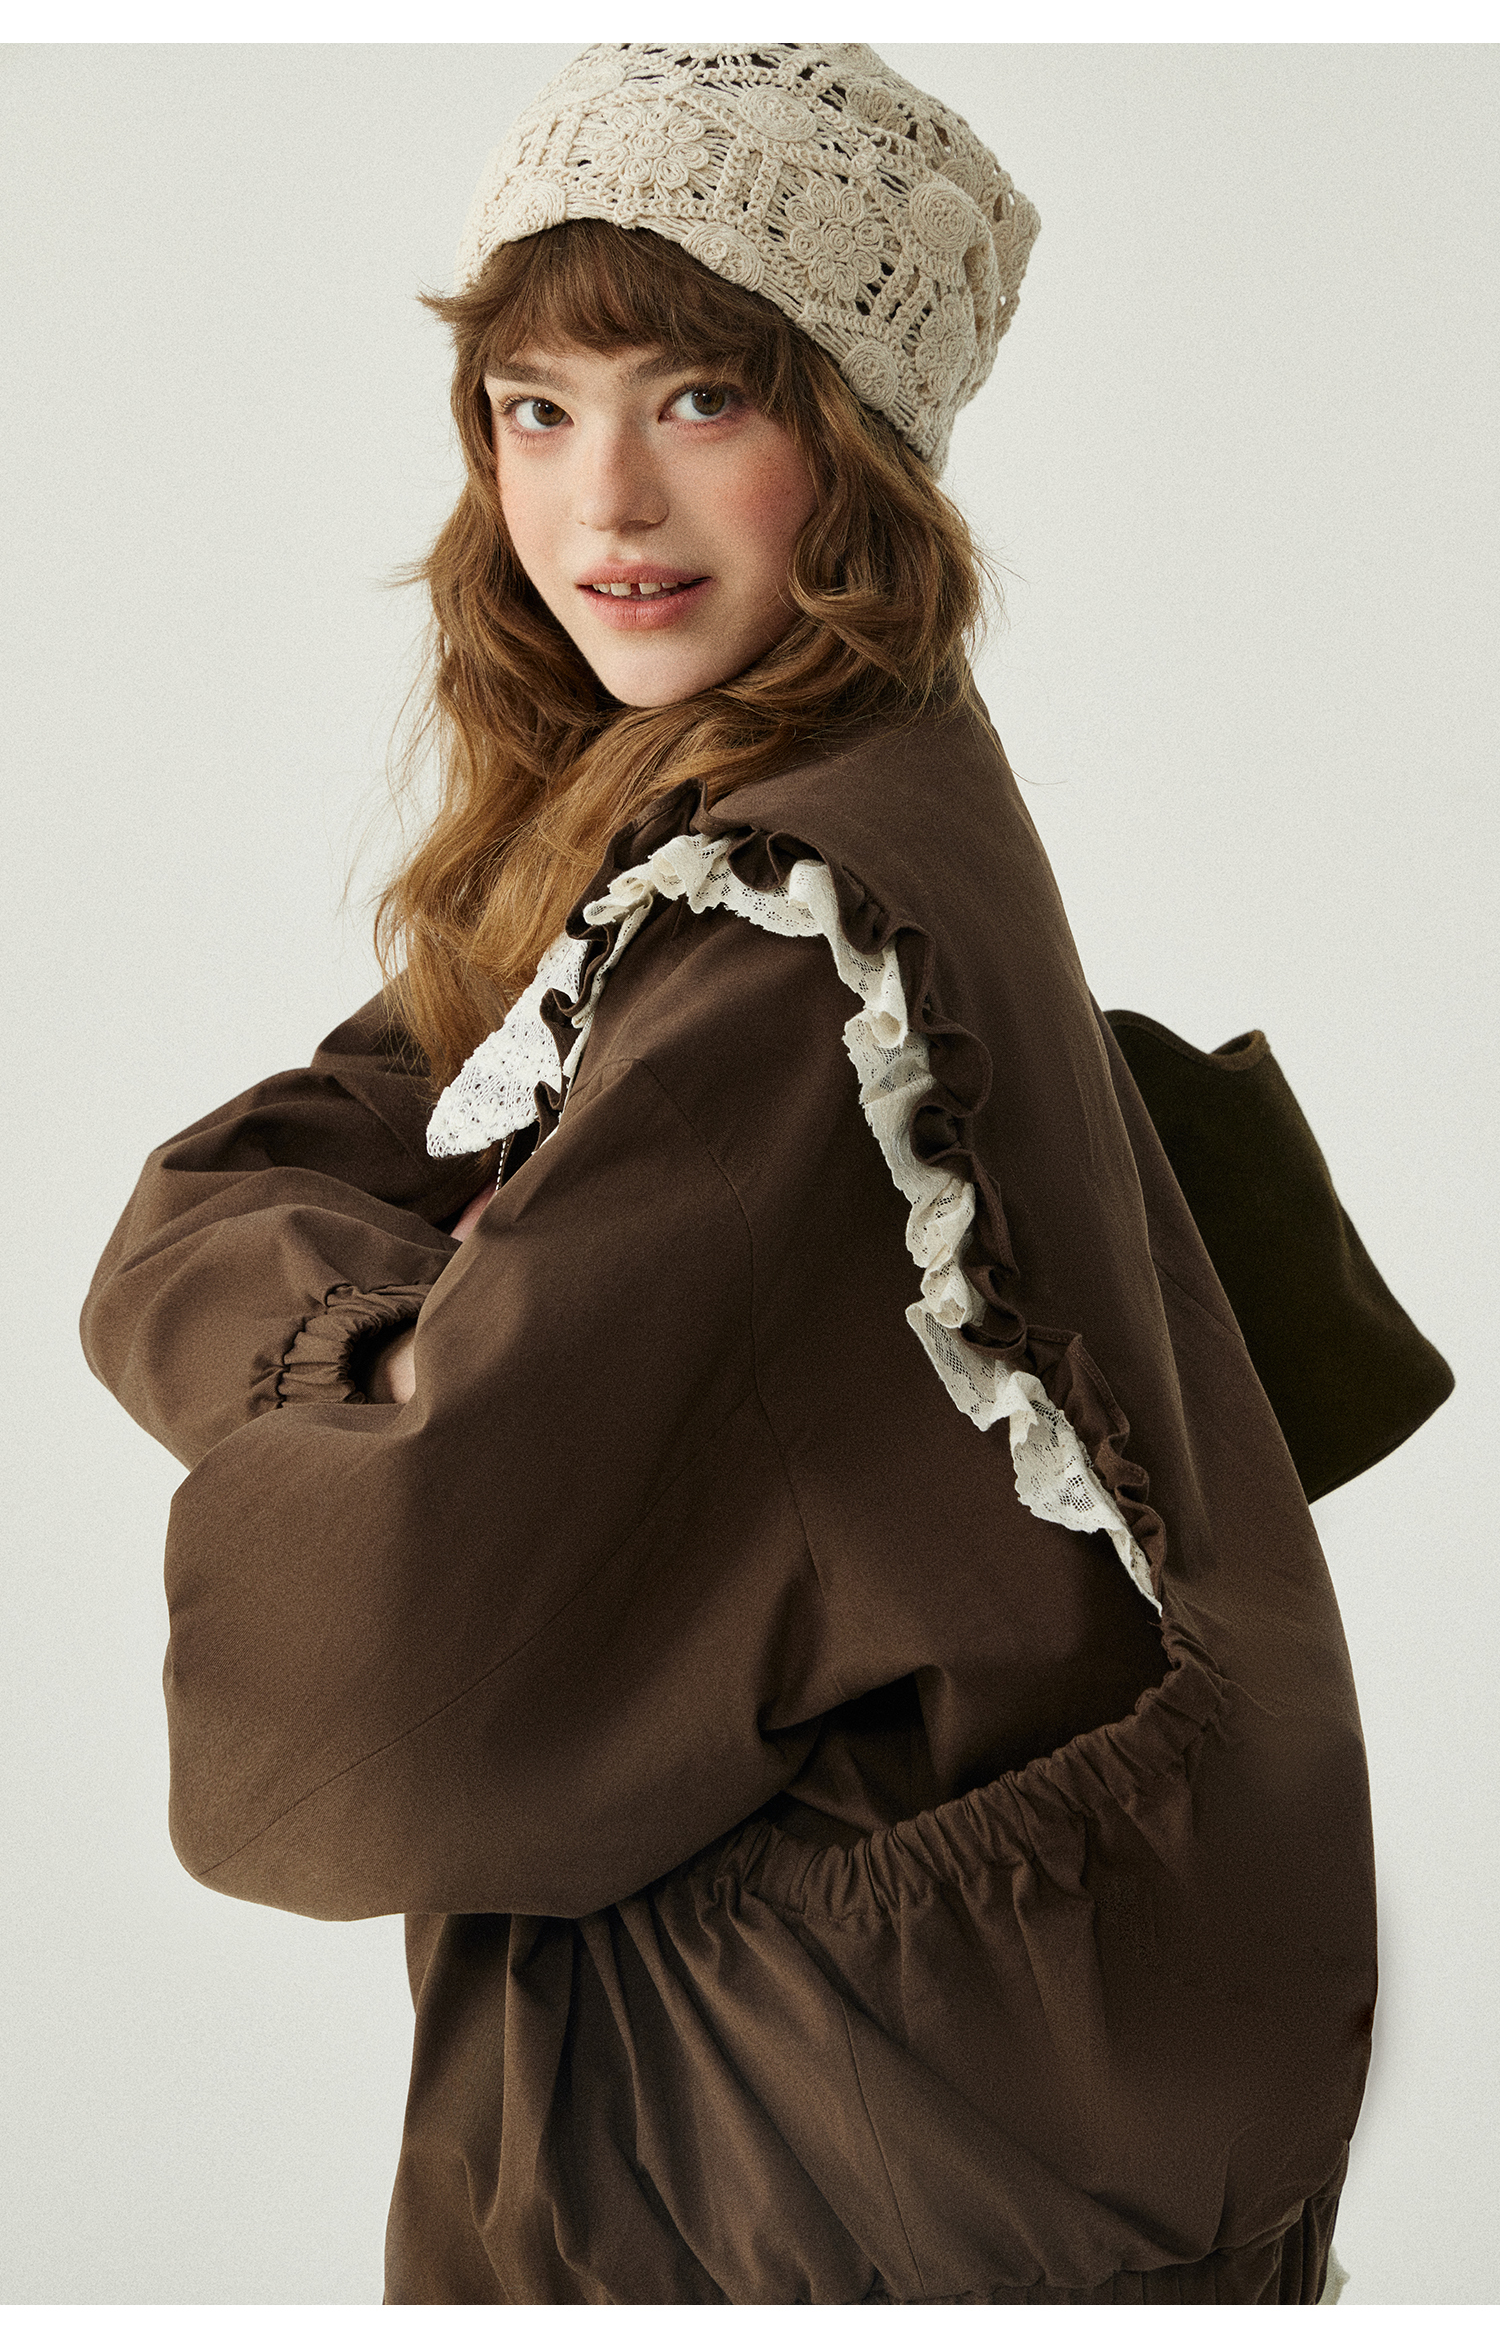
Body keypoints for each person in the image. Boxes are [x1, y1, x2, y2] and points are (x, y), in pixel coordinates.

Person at [80, 44, 1374, 2305]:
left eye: (702, 398)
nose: (605, 503)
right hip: (908, 2103)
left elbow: (393, 1655)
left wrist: (391, 1376)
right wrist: (424, 1340)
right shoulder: (771, 820)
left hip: (805, 2158)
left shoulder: (786, 937)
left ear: (858, 444)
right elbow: (248, 1172)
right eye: (535, 408)